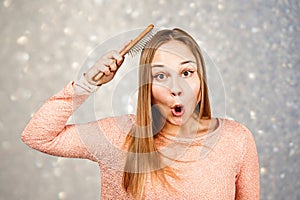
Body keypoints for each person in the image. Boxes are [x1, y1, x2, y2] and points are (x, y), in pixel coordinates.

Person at [22, 28, 260, 199]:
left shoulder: (236, 140)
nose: (176, 88)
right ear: (147, 87)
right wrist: (88, 83)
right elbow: (38, 136)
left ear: (201, 81)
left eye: (187, 72)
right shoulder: (118, 136)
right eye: (161, 76)